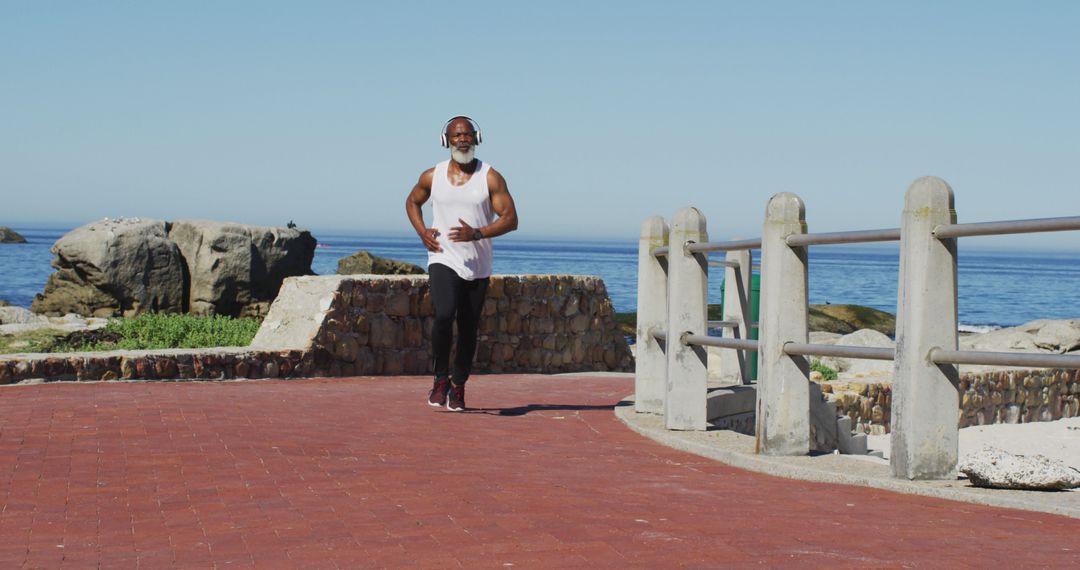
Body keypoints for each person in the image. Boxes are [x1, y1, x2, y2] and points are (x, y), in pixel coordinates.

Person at [405, 116, 518, 411]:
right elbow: (412, 201)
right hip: (442, 256)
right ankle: (440, 379)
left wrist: (477, 233)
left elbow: (511, 219)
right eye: (457, 135)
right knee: (444, 314)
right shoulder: (433, 175)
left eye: (468, 134)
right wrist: (422, 232)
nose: (462, 139)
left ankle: (458, 386)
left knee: (468, 327)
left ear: (477, 138)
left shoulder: (490, 177)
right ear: (446, 140)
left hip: (477, 265)